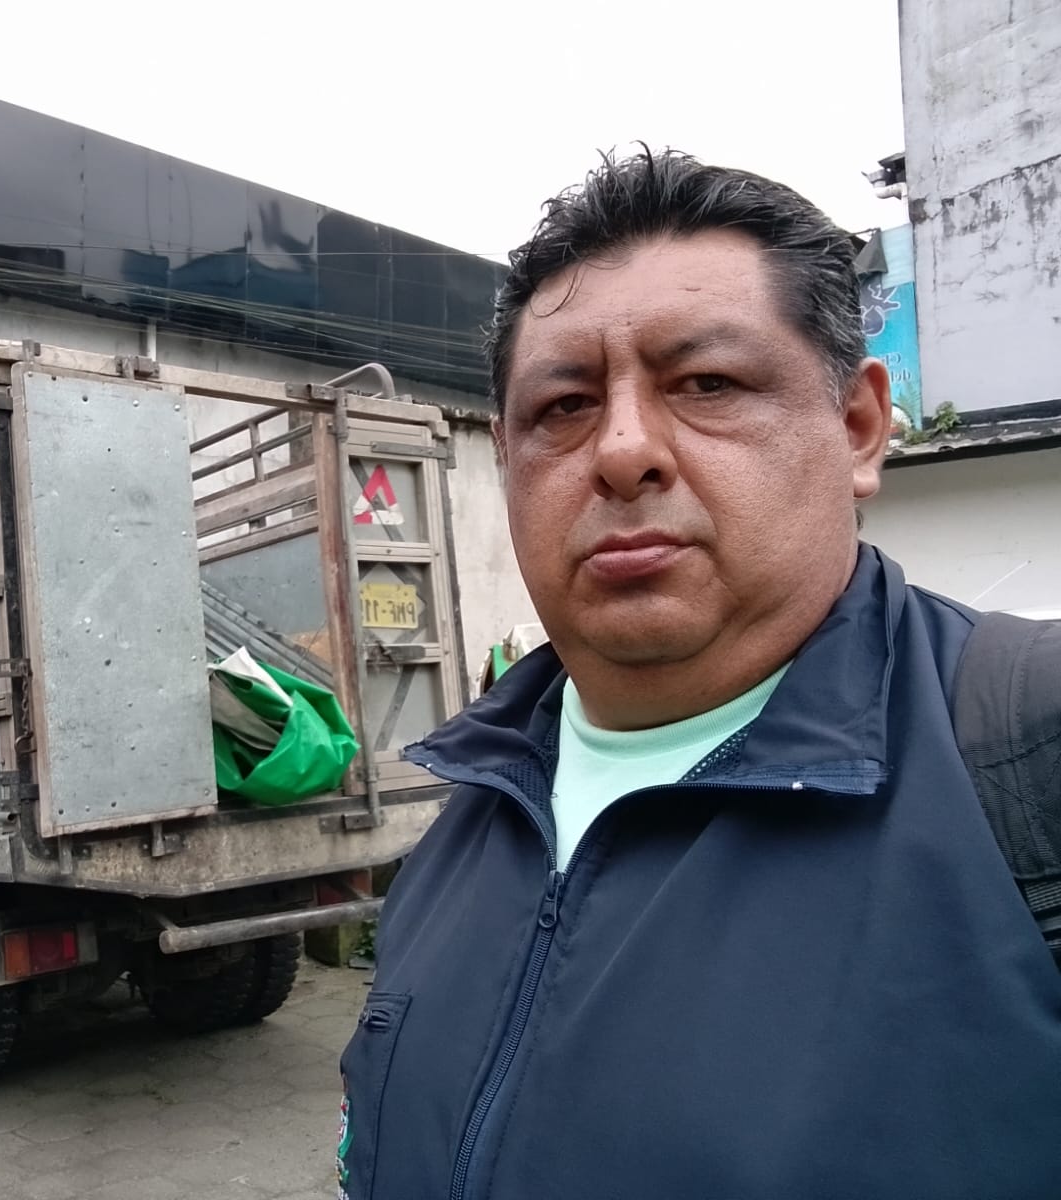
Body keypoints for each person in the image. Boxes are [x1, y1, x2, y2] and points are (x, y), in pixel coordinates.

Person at [337, 149, 1061, 1200]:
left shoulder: (1023, 762)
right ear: (506, 461)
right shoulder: (470, 814)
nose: (621, 451)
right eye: (563, 407)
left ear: (858, 428)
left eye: (708, 383)